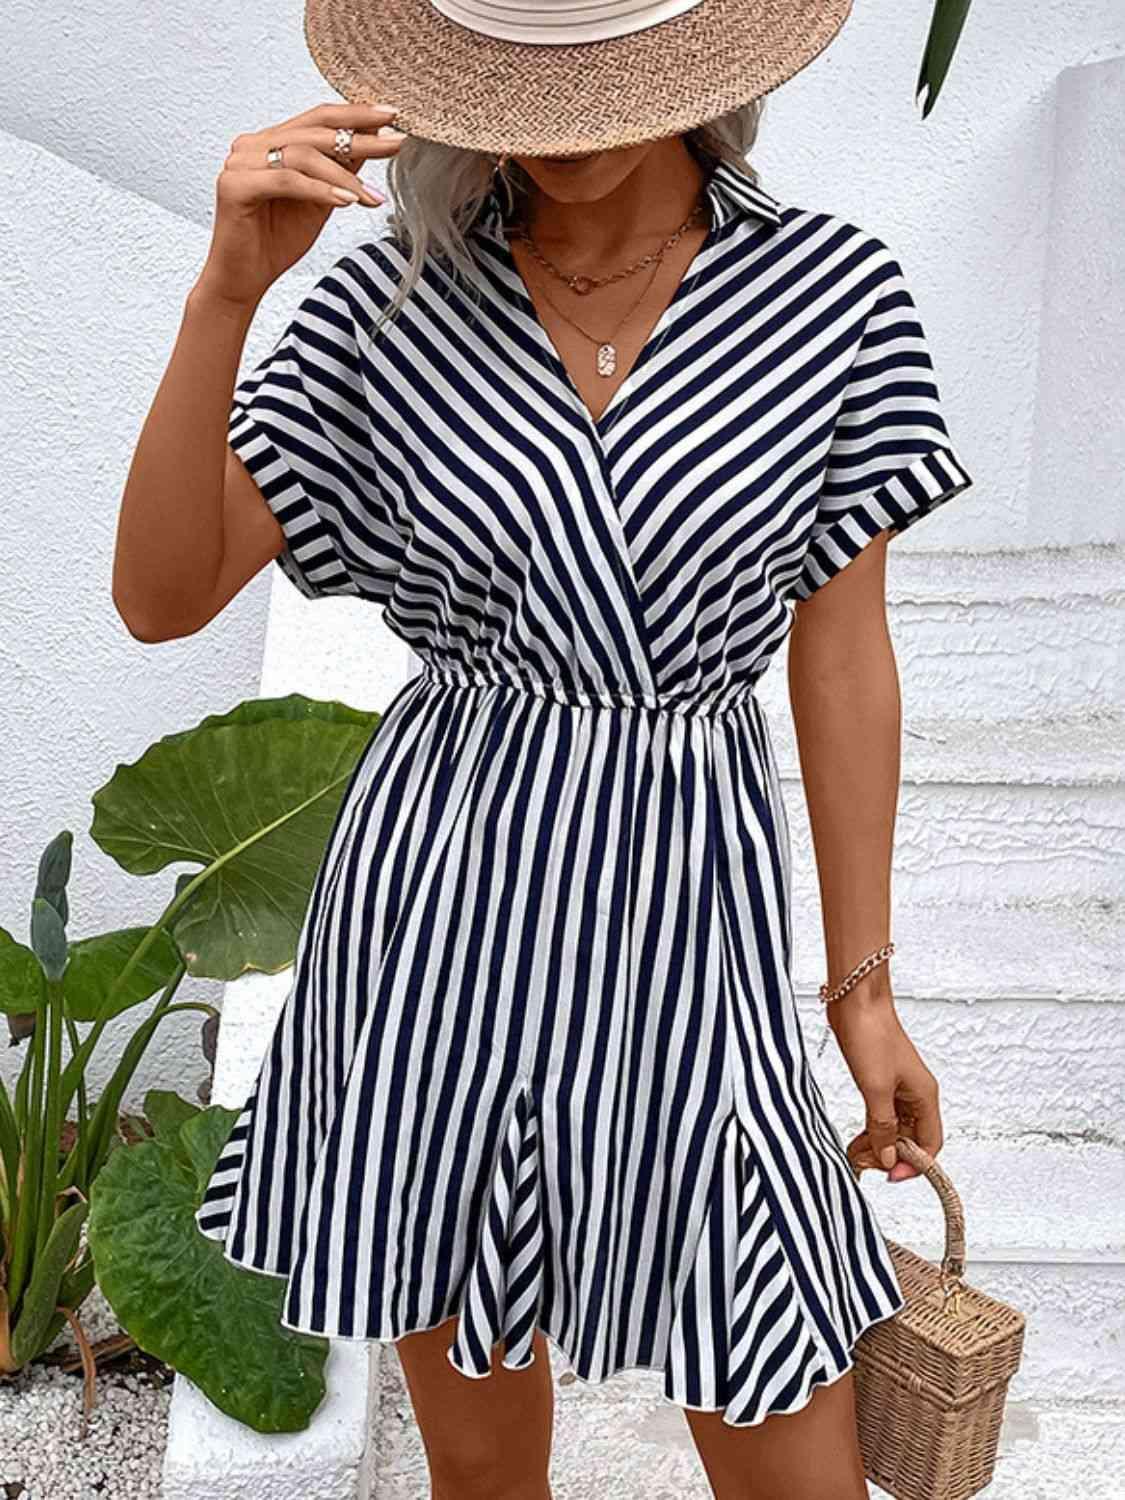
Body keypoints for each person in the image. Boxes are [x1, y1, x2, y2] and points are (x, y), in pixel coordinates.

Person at [112, 1, 974, 1494]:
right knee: (484, 1470)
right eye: (517, 87)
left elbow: (842, 658)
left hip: (687, 908)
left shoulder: (831, 296)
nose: (556, 127)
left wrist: (862, 990)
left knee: (788, 1427)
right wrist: (225, 295)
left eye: (599, 85)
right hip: (432, 912)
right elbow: (160, 594)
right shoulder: (388, 307)